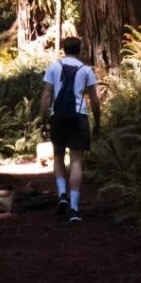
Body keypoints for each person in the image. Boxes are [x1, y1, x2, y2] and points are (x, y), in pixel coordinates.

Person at [39, 36, 101, 223]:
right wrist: (98, 122)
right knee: (76, 162)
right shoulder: (86, 70)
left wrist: (43, 120)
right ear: (80, 50)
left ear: (63, 49)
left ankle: (62, 195)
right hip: (79, 118)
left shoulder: (54, 67)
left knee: (58, 156)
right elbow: (95, 100)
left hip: (57, 117)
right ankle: (74, 209)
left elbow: (47, 95)